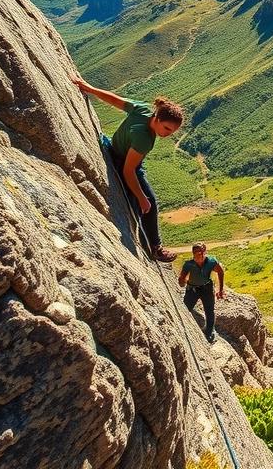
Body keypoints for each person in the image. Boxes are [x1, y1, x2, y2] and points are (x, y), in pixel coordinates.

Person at [72, 77, 183, 262]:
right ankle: (155, 248)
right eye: (166, 128)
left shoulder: (143, 110)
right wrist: (142, 198)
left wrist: (90, 89)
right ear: (157, 119)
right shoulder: (144, 139)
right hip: (122, 161)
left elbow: (115, 100)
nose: (167, 134)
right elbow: (128, 171)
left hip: (114, 148)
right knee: (150, 204)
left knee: (143, 201)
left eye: (171, 132)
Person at [179, 243, 225, 343]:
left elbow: (220, 271)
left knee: (209, 310)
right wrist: (182, 281)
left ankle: (210, 331)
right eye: (197, 253)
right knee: (185, 309)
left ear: (205, 252)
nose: (199, 255)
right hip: (192, 290)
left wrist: (220, 289)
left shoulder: (211, 261)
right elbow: (182, 279)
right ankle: (184, 329)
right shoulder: (189, 264)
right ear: (193, 253)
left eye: (201, 252)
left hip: (207, 288)